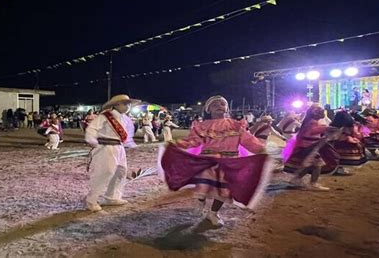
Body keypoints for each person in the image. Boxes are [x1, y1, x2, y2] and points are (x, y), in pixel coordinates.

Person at [160, 95, 267, 226]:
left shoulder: (236, 125)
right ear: (208, 109)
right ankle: (201, 201)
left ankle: (213, 213)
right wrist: (177, 144)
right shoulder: (202, 126)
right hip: (208, 162)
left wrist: (260, 149)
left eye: (222, 104)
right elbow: (193, 140)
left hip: (229, 163)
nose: (219, 106)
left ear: (227, 108)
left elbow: (248, 140)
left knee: (223, 191)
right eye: (215, 104)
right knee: (204, 187)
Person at [84, 94, 138, 211]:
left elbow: (126, 134)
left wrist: (130, 145)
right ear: (117, 104)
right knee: (105, 172)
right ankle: (91, 200)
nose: (128, 106)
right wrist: (94, 143)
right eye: (125, 103)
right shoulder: (105, 116)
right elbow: (91, 129)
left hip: (119, 147)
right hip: (106, 147)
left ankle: (112, 197)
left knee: (120, 172)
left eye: (128, 103)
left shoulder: (125, 118)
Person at [284, 104, 340, 191]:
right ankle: (313, 183)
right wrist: (326, 128)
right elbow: (313, 131)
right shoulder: (312, 122)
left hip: (308, 146)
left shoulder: (310, 121)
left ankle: (296, 179)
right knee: (317, 164)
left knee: (311, 165)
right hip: (307, 147)